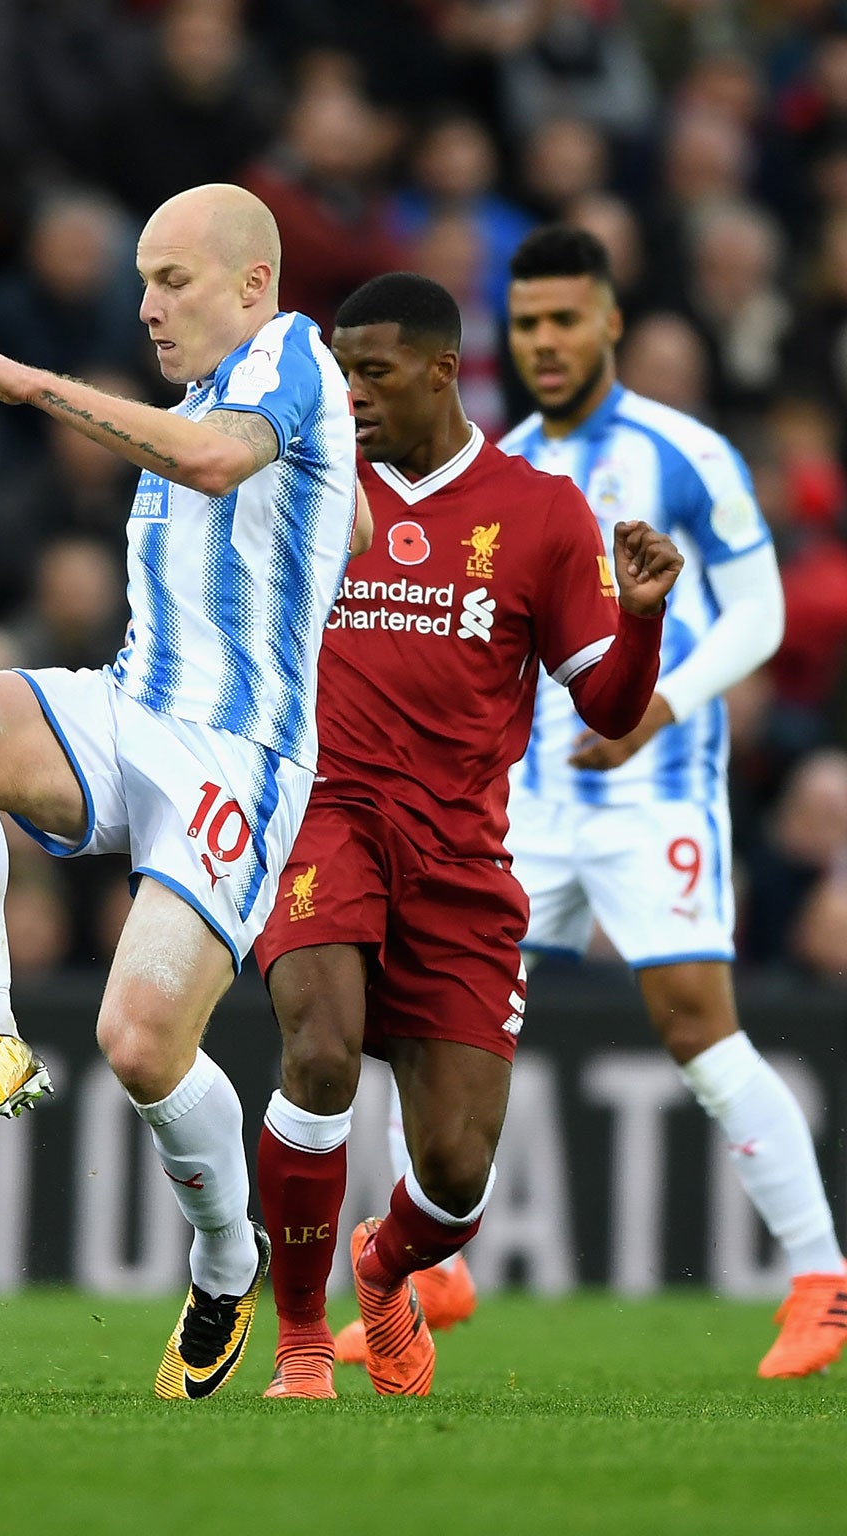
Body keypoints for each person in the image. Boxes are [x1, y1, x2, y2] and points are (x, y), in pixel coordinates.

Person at [346, 224, 847, 1380]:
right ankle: (426, 1255)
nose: (546, 342)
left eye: (566, 320)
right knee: (419, 1012)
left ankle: (821, 1276)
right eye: (526, 325)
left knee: (688, 1018)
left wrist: (656, 712)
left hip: (655, 790)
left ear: (611, 321)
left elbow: (757, 615)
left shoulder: (684, 453)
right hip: (521, 802)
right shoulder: (499, 465)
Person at [0, 184, 363, 1400]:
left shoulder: (293, 357)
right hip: (127, 708)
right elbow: (344, 522)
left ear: (252, 285)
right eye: (143, 281)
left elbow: (215, 466)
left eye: (173, 280)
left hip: (237, 758)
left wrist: (34, 384)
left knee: (138, 1045)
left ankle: (224, 1259)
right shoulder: (215, 402)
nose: (146, 306)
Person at [252, 273, 681, 1399]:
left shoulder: (537, 513)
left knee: (452, 1177)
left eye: (373, 374)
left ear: (443, 373)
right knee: (318, 1054)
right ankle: (300, 1344)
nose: (348, 396)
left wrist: (637, 621)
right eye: (339, 373)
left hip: (458, 861)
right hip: (321, 817)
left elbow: (608, 707)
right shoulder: (305, 484)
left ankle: (385, 1268)